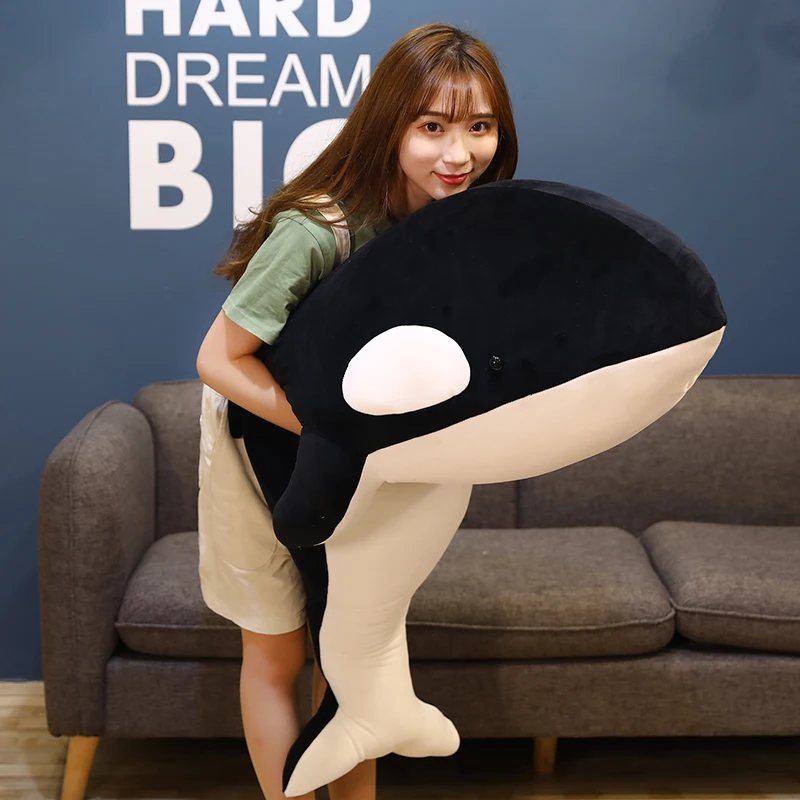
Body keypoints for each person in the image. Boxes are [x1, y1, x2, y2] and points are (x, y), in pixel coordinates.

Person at [195, 21, 518, 800]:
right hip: (258, 441)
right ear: (389, 125)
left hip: (361, 461)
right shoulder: (318, 228)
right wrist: (339, 437)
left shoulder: (463, 223)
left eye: (479, 127)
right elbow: (219, 360)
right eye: (432, 127)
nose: (458, 153)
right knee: (278, 651)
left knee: (355, 658)